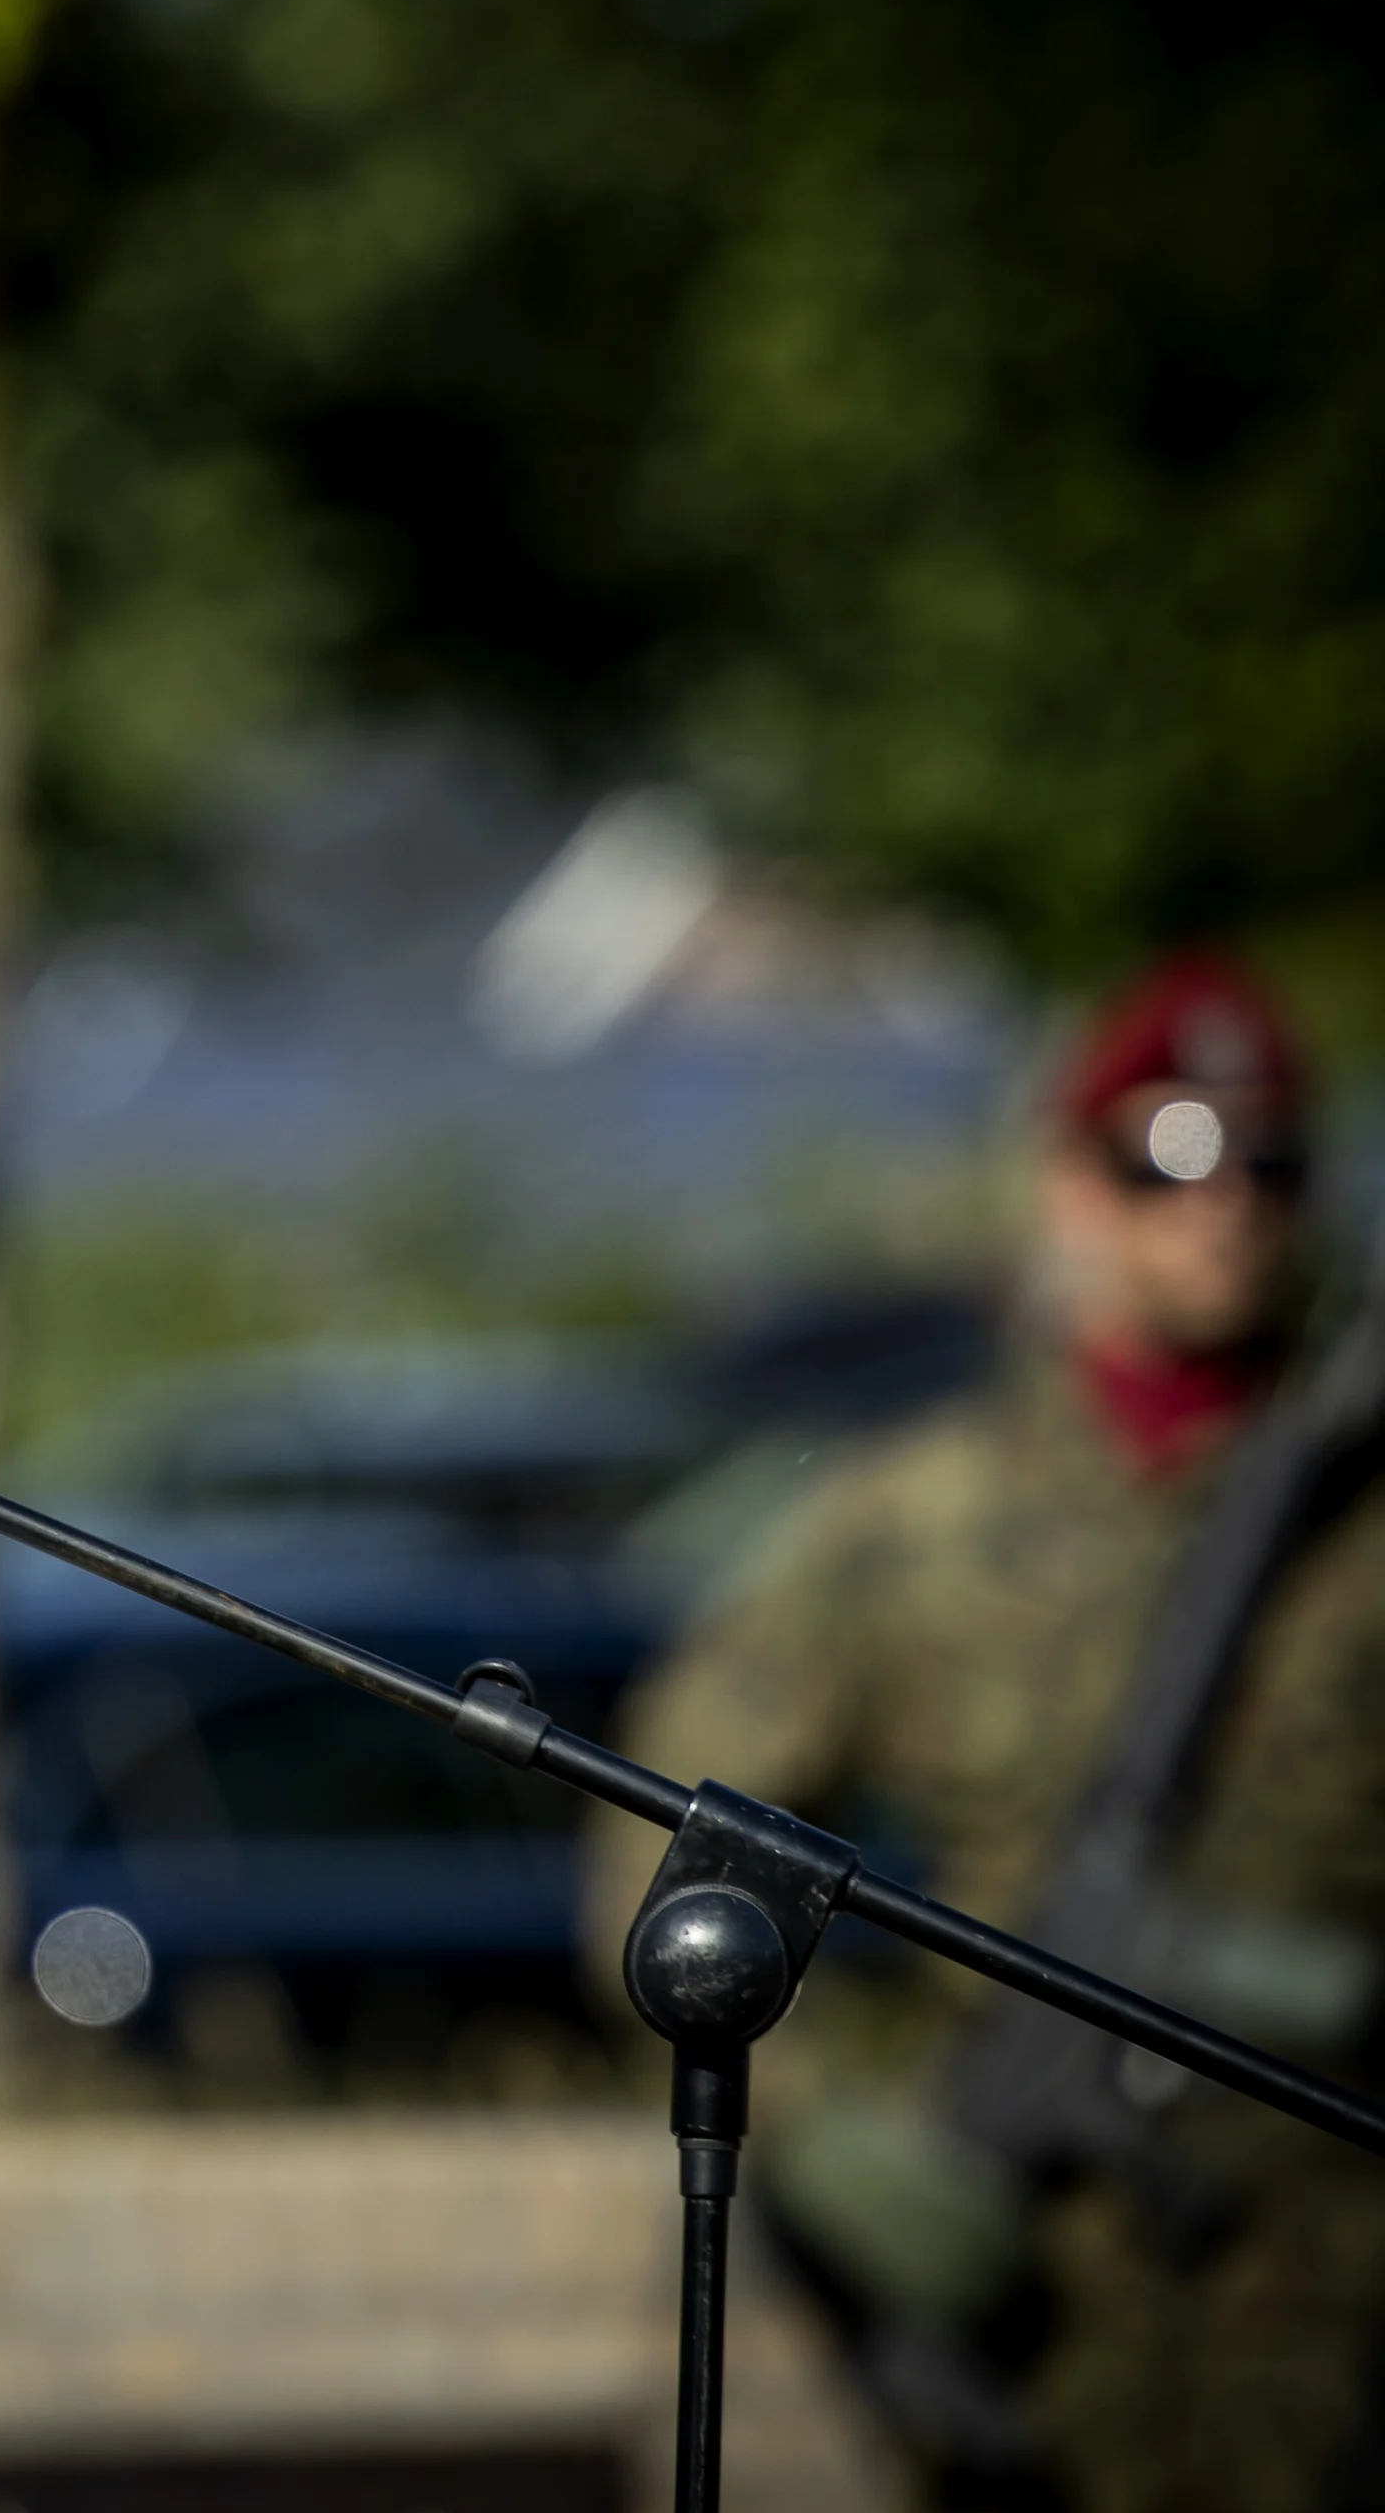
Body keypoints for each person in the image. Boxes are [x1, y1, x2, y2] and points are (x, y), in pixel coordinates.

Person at [595, 953, 1385, 2511]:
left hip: (1342, 2319)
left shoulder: (1354, 1507)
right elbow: (661, 1839)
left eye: (1268, 1159)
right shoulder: (912, 1518)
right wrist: (826, 2137)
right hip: (1028, 2341)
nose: (1219, 1204)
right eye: (1162, 1158)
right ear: (1071, 1188)